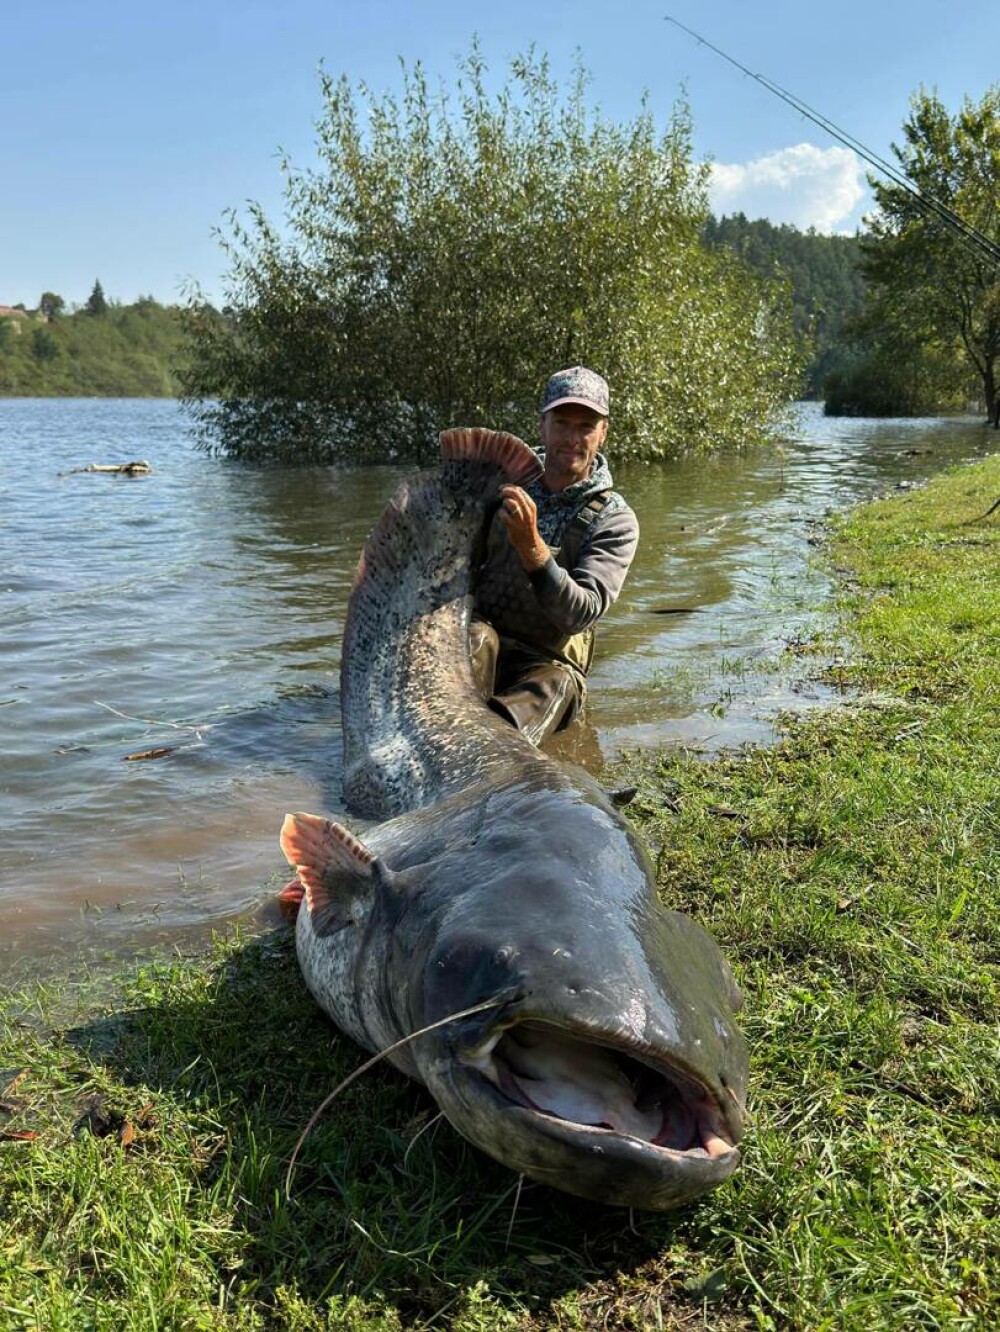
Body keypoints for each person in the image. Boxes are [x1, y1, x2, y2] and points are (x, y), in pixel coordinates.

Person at [469, 366, 639, 745]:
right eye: (561, 423)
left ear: (603, 433)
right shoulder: (499, 490)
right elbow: (454, 572)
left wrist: (533, 548)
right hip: (487, 646)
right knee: (473, 636)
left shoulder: (614, 519)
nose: (571, 438)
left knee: (558, 685)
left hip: (546, 664)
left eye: (585, 426)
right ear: (542, 426)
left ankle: (491, 753)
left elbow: (581, 612)